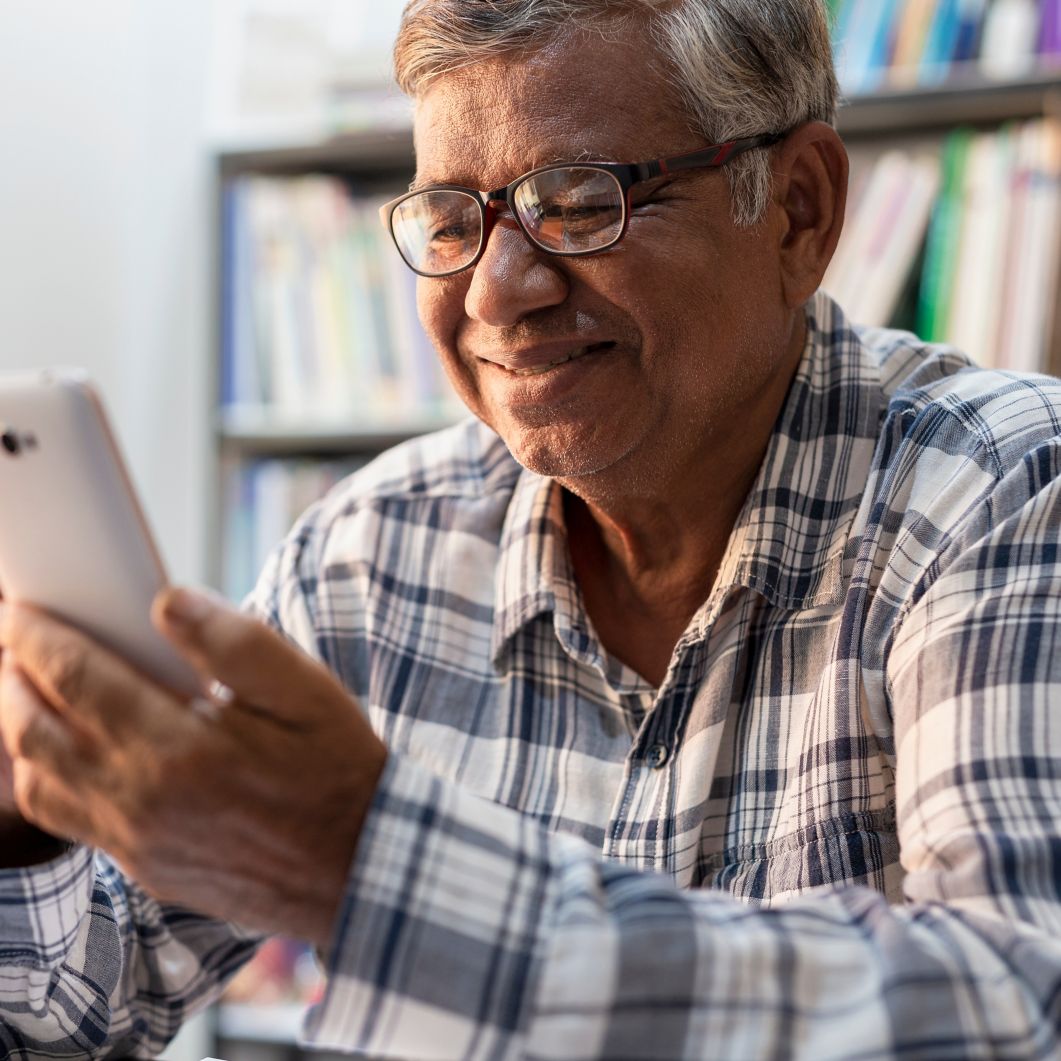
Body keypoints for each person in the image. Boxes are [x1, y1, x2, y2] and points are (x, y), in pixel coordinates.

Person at [1, 0, 1060, 1057]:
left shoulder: (1003, 487)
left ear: (796, 212)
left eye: (577, 202)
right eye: (451, 219)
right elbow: (78, 1011)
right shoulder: (369, 553)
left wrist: (363, 864)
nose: (497, 295)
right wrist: (21, 810)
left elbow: (1015, 1005)